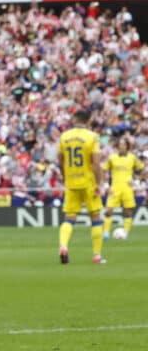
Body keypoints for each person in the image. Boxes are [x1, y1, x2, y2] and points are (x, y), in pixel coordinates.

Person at [57, 109, 106, 264]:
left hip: (71, 182)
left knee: (69, 218)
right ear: (89, 120)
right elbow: (96, 163)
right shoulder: (93, 137)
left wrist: (65, 177)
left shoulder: (64, 136)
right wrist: (99, 183)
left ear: (74, 119)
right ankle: (97, 256)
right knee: (95, 218)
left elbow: (60, 161)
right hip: (88, 182)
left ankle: (63, 246)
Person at [102, 136, 143, 239]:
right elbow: (104, 170)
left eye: (124, 144)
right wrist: (106, 185)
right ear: (117, 146)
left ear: (127, 146)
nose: (122, 146)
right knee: (109, 210)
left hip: (127, 188)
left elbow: (142, 168)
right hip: (114, 188)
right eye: (120, 144)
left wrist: (137, 180)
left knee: (128, 211)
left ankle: (126, 232)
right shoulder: (112, 157)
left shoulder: (132, 157)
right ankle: (106, 233)